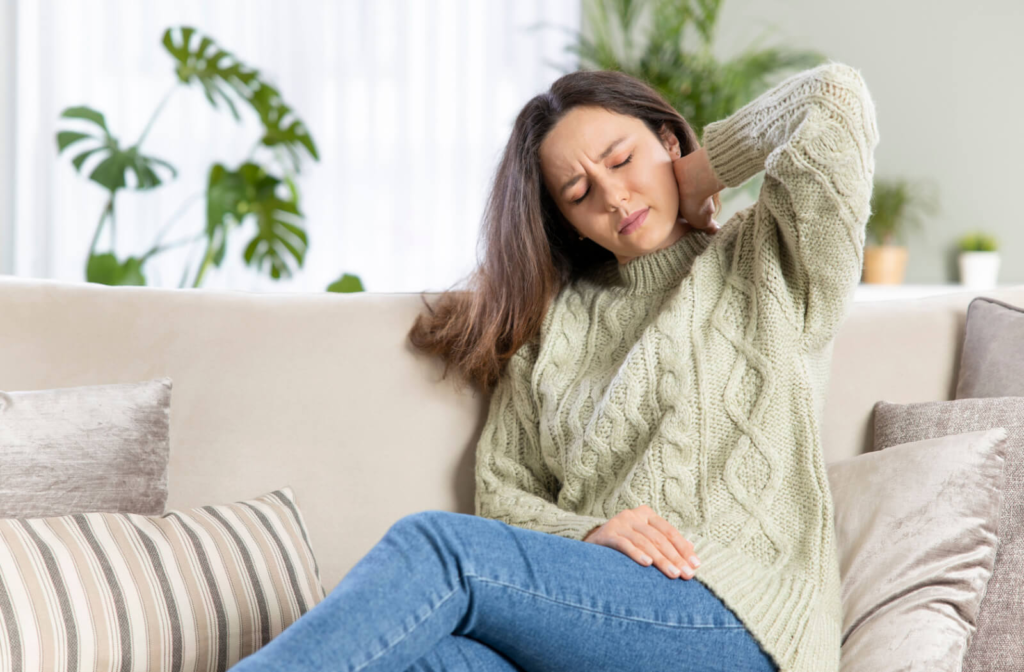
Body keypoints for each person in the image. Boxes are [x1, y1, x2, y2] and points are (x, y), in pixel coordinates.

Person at [233, 60, 879, 672]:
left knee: (439, 549)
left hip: (737, 621)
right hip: (592, 623)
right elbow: (502, 494)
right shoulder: (558, 325)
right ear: (566, 220)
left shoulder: (769, 261)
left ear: (666, 140)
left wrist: (702, 174)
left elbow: (834, 99)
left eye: (623, 160)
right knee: (430, 661)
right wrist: (591, 530)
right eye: (578, 191)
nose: (614, 195)